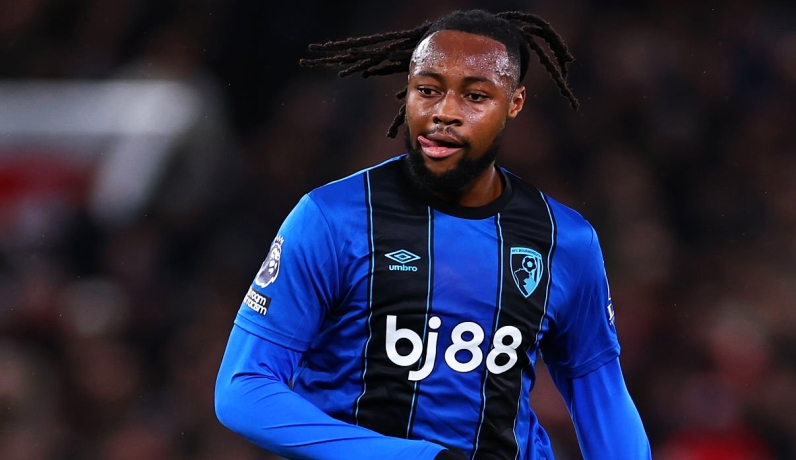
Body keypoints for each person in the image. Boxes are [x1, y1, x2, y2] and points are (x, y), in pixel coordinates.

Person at [215, 9, 651, 460]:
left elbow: (603, 401)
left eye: (475, 96)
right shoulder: (332, 219)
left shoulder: (565, 241)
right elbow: (243, 388)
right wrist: (414, 457)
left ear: (514, 103)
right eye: (428, 90)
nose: (445, 113)